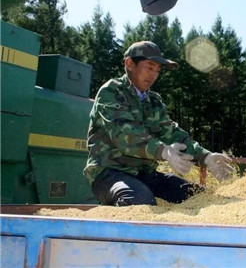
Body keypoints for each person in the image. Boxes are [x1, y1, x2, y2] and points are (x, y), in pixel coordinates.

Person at [84, 41, 234, 206]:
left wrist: (205, 156)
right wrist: (163, 151)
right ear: (129, 64)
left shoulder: (154, 101)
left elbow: (171, 133)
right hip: (109, 173)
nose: (153, 75)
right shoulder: (111, 92)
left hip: (146, 175)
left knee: (200, 197)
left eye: (157, 70)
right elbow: (125, 136)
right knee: (140, 201)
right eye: (149, 67)